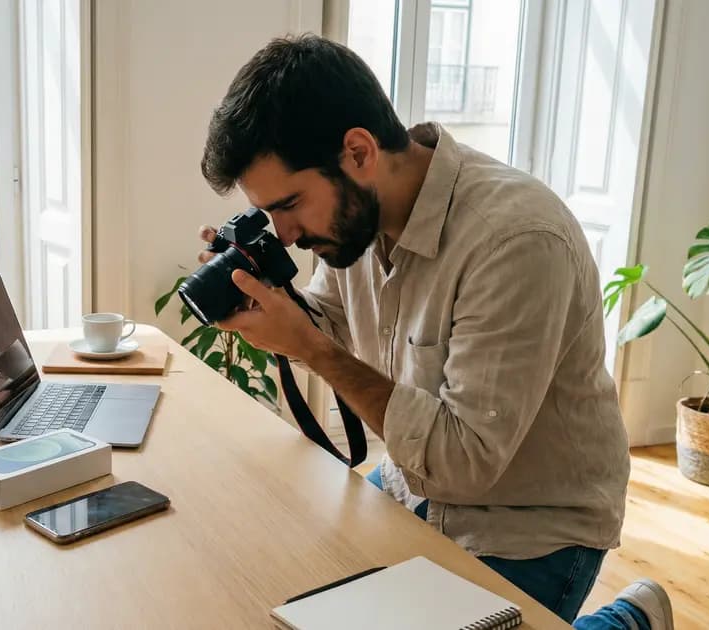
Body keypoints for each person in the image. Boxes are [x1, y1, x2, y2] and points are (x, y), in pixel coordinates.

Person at [195, 34, 674, 630]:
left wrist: (310, 347)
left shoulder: (516, 241)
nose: (286, 232)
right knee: (282, 587)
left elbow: (463, 462)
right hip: (408, 481)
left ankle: (628, 619)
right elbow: (331, 322)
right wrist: (268, 297)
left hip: (528, 522)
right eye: (271, 214)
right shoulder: (354, 221)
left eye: (290, 203)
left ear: (359, 151)